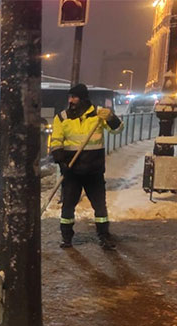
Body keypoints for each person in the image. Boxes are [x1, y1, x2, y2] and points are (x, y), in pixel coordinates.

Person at [49, 83, 123, 250]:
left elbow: (118, 130)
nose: (71, 100)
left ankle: (104, 235)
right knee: (68, 206)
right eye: (70, 97)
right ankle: (66, 237)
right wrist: (61, 162)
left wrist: (111, 118)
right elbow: (56, 142)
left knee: (100, 206)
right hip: (72, 170)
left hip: (93, 170)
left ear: (83, 98)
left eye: (74, 97)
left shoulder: (98, 116)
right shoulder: (62, 117)